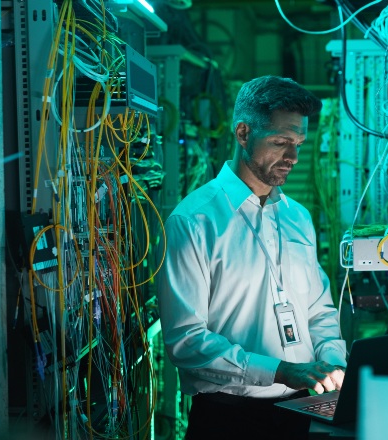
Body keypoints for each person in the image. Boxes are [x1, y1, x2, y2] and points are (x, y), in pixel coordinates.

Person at [160, 75, 347, 440]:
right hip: (229, 417)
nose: (292, 157)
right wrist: (279, 370)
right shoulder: (194, 220)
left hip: (300, 409)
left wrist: (333, 364)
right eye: (280, 142)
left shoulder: (298, 217)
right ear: (243, 133)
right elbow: (186, 341)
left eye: (298, 144)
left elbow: (319, 311)